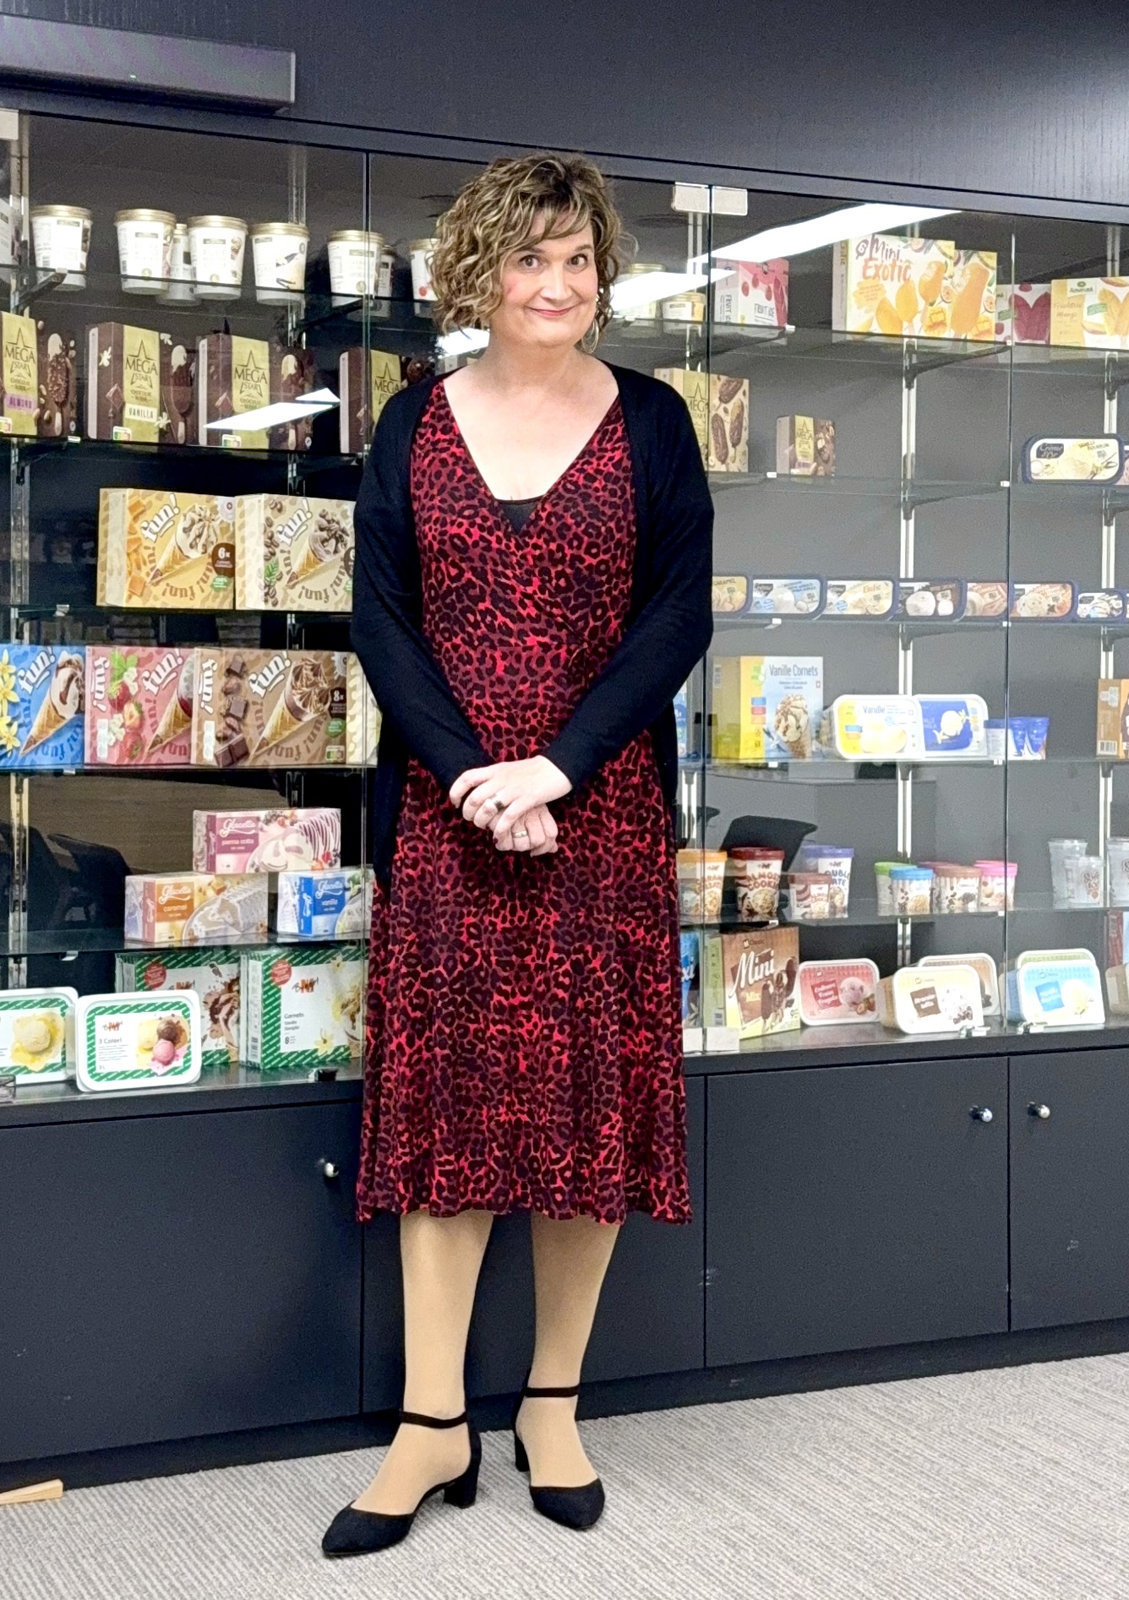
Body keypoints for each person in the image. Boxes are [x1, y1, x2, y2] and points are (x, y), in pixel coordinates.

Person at [323, 152, 713, 1558]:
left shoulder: (655, 420)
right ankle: (432, 1424)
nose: (557, 284)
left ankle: (553, 1406)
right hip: (448, 816)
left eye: (578, 259)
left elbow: (677, 617)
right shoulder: (412, 420)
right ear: (478, 273)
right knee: (446, 1119)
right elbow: (380, 618)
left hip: (599, 815)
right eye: (529, 258)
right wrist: (472, 776)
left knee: (582, 1114)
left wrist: (558, 767)